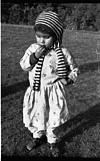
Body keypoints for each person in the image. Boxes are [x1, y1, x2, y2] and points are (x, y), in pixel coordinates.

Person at [20, 10, 79, 155]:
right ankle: (37, 137)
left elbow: (74, 69)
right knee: (35, 115)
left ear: (56, 36)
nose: (41, 40)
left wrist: (70, 78)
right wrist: (34, 57)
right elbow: (24, 65)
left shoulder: (63, 52)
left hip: (53, 92)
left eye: (46, 37)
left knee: (53, 119)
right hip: (36, 91)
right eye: (38, 36)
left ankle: (52, 141)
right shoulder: (33, 49)